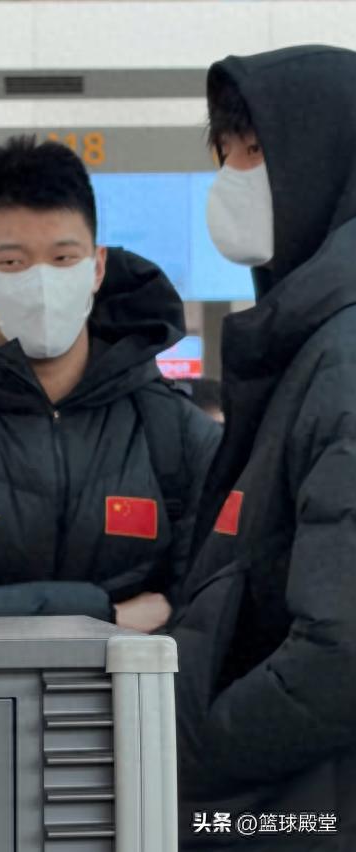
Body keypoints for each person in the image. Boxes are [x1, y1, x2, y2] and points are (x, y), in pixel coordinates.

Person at [0, 136, 221, 631]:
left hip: (138, 689)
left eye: (63, 259)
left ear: (97, 267)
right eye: (12, 263)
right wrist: (106, 617)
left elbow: (209, 608)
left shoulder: (180, 437)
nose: (41, 283)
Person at [173, 46, 356, 850]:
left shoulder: (343, 358)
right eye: (224, 153)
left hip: (309, 808)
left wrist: (187, 751)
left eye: (253, 150)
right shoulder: (305, 342)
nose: (232, 177)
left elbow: (341, 652)